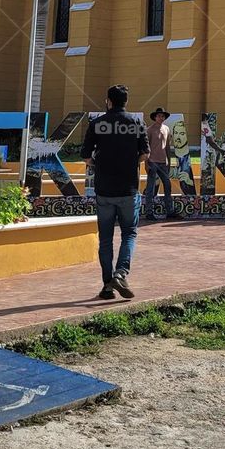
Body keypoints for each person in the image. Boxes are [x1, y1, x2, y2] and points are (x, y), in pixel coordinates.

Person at [81, 85, 149, 299]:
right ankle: (121, 273)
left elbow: (86, 156)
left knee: (106, 239)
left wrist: (98, 166)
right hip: (129, 188)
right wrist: (130, 163)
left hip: (104, 190)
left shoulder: (97, 123)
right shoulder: (136, 123)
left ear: (108, 101)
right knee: (129, 232)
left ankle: (107, 285)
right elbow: (145, 154)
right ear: (125, 101)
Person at [144, 106, 176, 220]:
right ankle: (149, 212)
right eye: (159, 116)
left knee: (167, 185)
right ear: (155, 117)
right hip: (152, 161)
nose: (161, 118)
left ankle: (170, 211)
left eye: (162, 116)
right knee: (151, 187)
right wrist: (146, 163)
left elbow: (167, 146)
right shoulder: (149, 130)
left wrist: (169, 160)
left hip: (163, 162)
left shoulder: (166, 129)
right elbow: (146, 148)